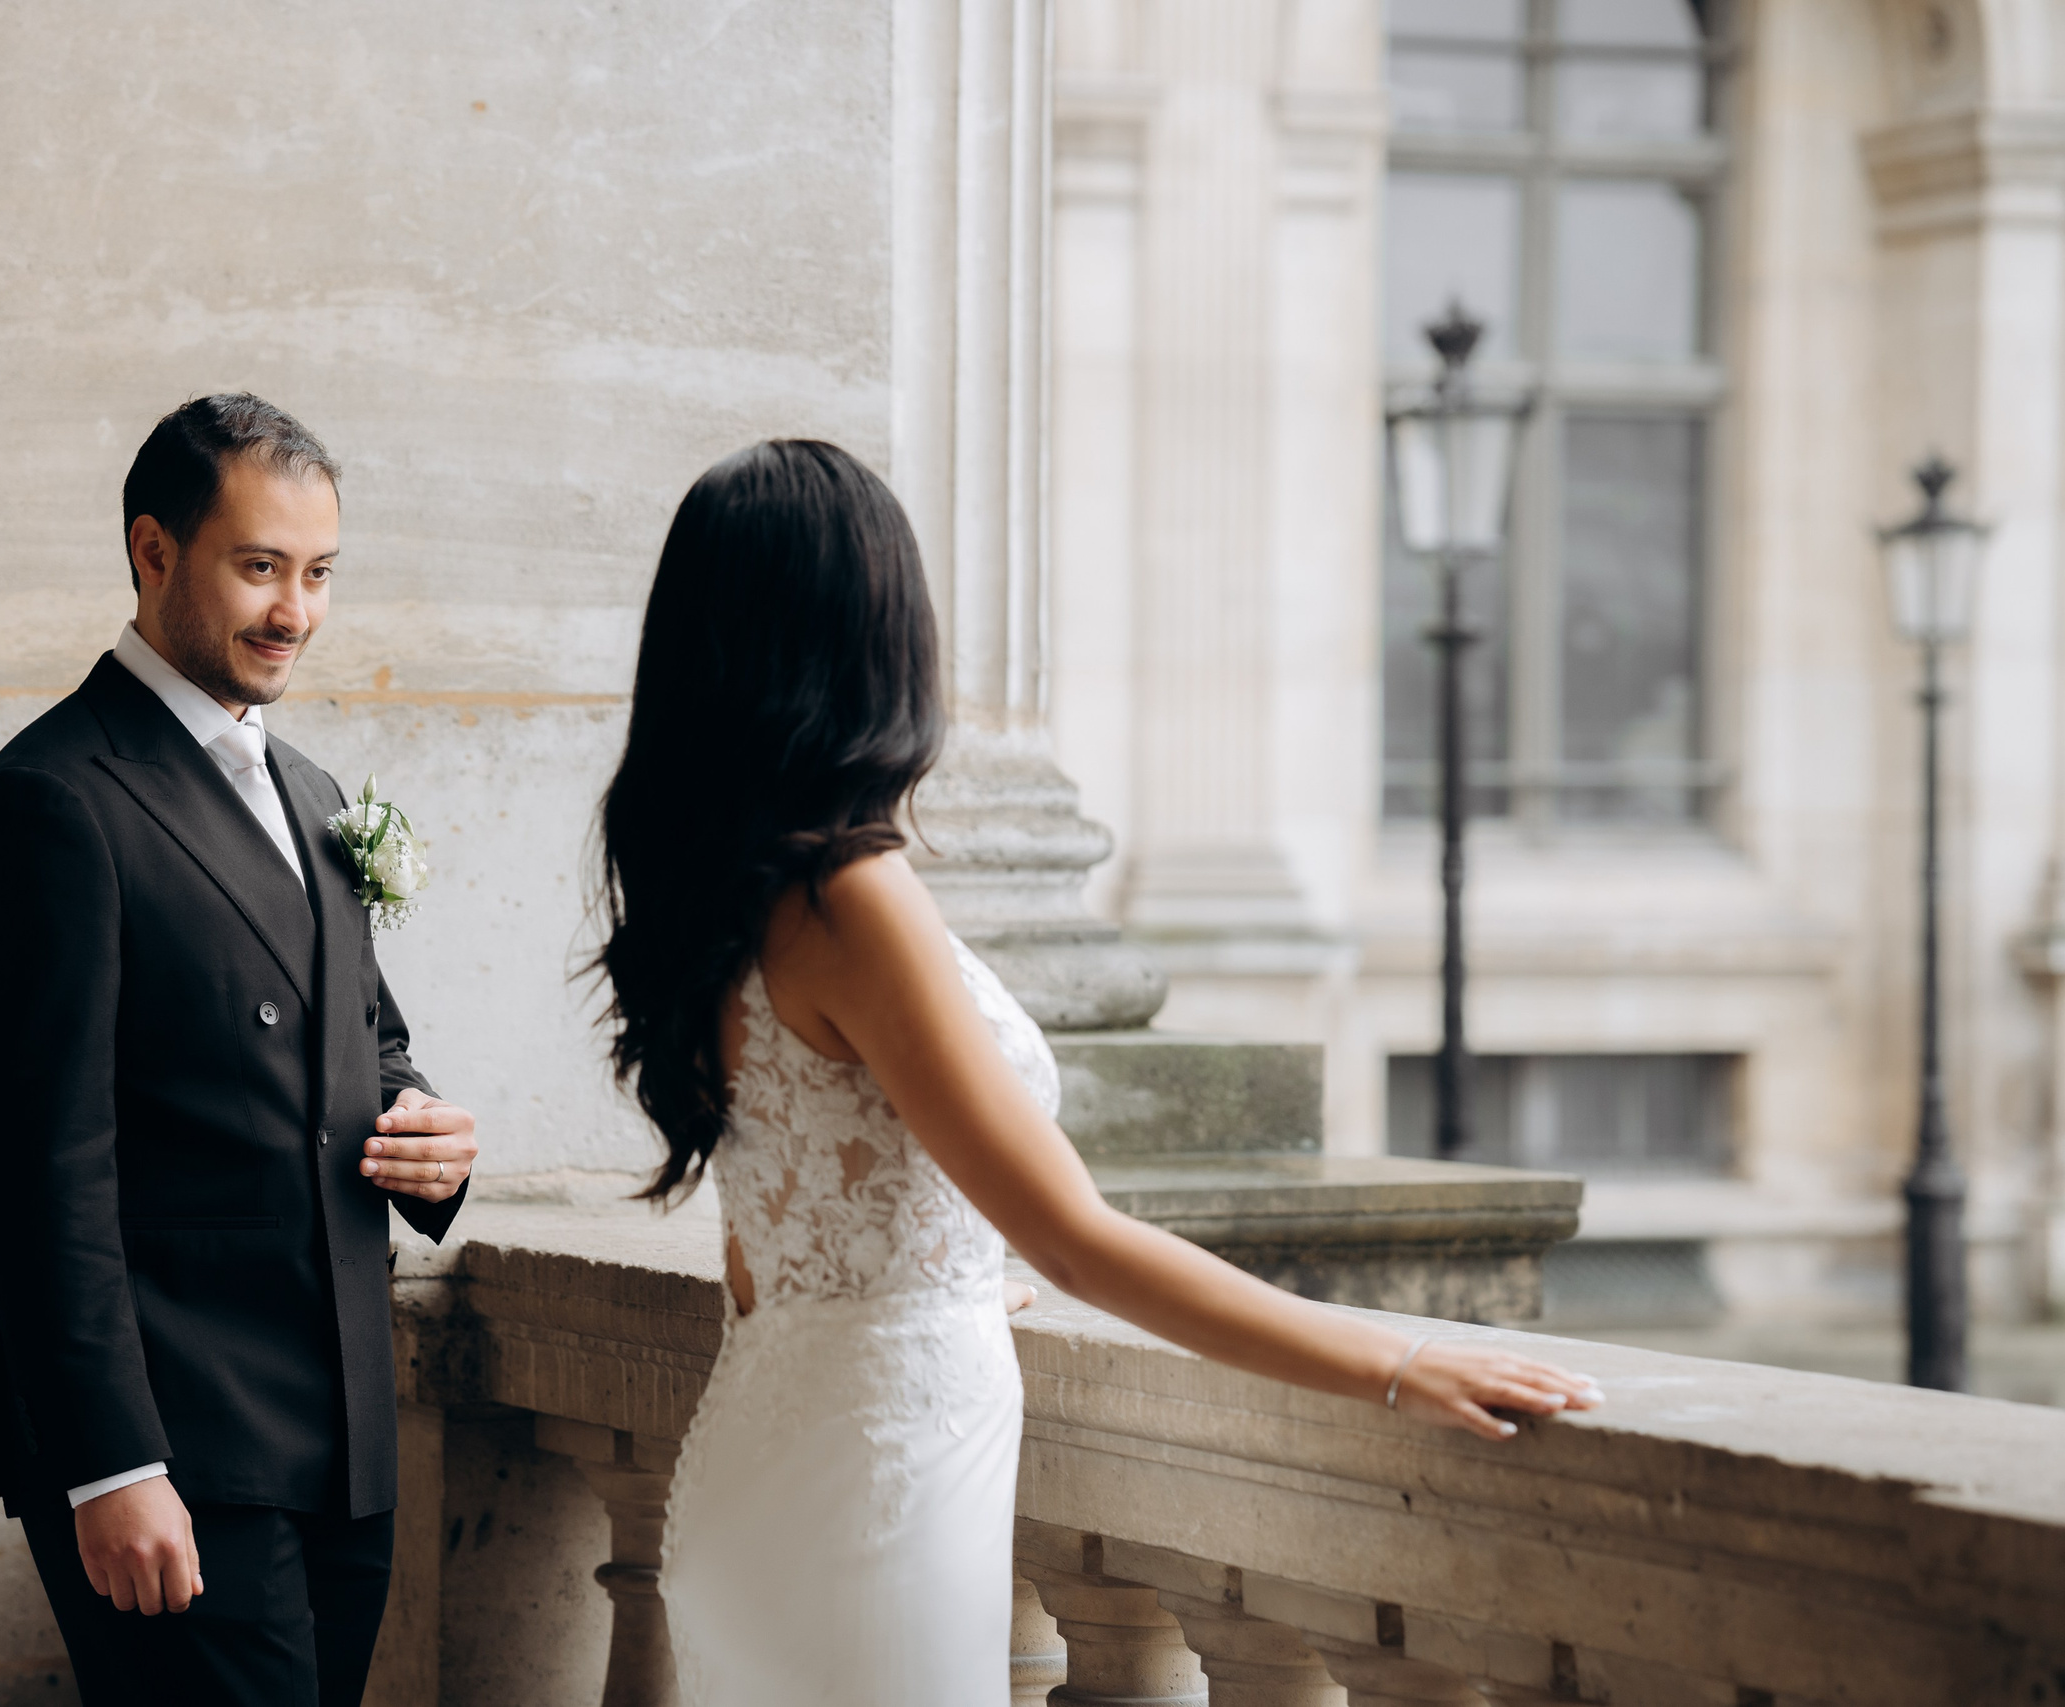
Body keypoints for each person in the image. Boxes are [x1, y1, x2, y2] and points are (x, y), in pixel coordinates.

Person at [590, 439, 1603, 1705]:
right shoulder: (854, 898)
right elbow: (1071, 1241)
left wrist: (940, 1281)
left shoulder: (717, 909)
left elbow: (771, 1250)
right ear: (875, 638)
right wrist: (1389, 1363)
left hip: (771, 1456)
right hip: (875, 1483)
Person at [0, 394, 478, 1704]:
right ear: (154, 552)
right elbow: (37, 1174)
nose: (295, 608)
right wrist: (113, 1464)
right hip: (173, 1448)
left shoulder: (320, 796)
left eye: (318, 573)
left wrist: (427, 1135)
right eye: (259, 566)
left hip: (339, 1439)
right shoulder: (49, 804)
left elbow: (370, 1044)